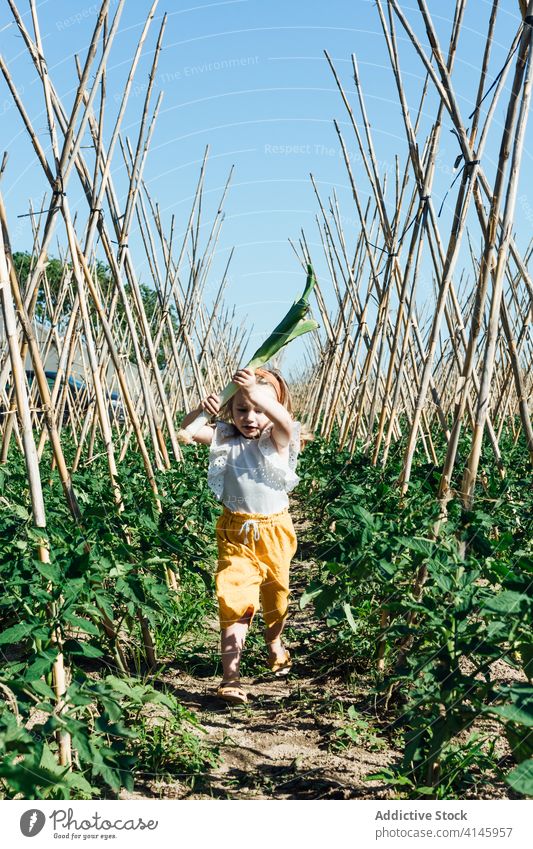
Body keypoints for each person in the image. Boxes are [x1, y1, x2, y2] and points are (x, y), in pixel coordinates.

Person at [181, 366, 300, 705]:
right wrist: (203, 410)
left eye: (260, 409)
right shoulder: (225, 437)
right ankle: (230, 677)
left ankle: (274, 643)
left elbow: (286, 425)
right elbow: (185, 432)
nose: (250, 417)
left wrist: (257, 394)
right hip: (235, 531)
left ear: (275, 408)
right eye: (242, 408)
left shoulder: (276, 442)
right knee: (233, 598)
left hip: (275, 532)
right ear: (229, 411)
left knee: (276, 598)